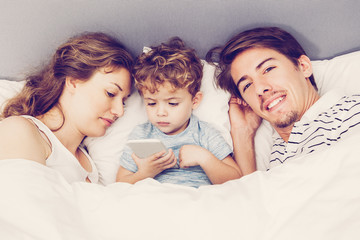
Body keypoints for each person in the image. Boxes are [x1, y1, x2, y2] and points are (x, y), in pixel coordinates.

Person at [206, 27, 360, 171]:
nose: (259, 89)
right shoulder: (275, 158)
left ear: (304, 66)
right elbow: (251, 199)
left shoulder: (351, 113)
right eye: (247, 85)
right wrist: (243, 134)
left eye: (268, 69)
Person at [0, 32, 134, 183]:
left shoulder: (89, 166)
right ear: (73, 81)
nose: (120, 111)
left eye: (123, 101)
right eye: (110, 93)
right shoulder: (19, 130)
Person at [116, 37, 241, 188]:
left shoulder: (204, 134)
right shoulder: (141, 135)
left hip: (197, 203)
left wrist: (205, 158)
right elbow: (119, 185)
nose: (161, 112)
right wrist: (145, 173)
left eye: (173, 103)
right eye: (151, 103)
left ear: (194, 101)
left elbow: (236, 181)